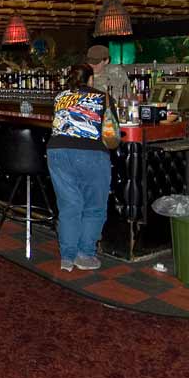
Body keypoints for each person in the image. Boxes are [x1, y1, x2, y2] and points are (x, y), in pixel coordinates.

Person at [47, 64, 115, 273]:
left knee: (69, 206)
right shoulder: (103, 97)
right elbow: (112, 131)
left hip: (57, 151)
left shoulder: (60, 97)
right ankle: (85, 255)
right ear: (91, 79)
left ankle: (67, 257)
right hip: (91, 153)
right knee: (94, 207)